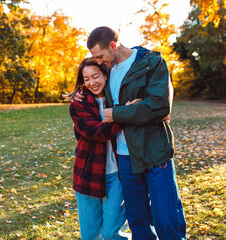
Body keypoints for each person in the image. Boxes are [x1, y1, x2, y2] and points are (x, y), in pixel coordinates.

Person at [75, 26, 187, 240]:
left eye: (100, 56)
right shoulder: (108, 69)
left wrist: (119, 113)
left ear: (113, 45)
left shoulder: (151, 63)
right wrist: (79, 93)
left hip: (153, 150)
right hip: (125, 158)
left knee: (166, 217)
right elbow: (93, 85)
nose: (98, 61)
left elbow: (159, 105)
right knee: (138, 220)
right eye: (94, 58)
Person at [67, 58, 134, 240]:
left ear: (105, 74)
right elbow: (95, 132)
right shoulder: (78, 104)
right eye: (86, 79)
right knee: (90, 236)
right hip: (87, 174)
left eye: (95, 76)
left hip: (117, 176)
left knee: (111, 234)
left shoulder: (119, 98)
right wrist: (123, 115)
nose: (91, 82)